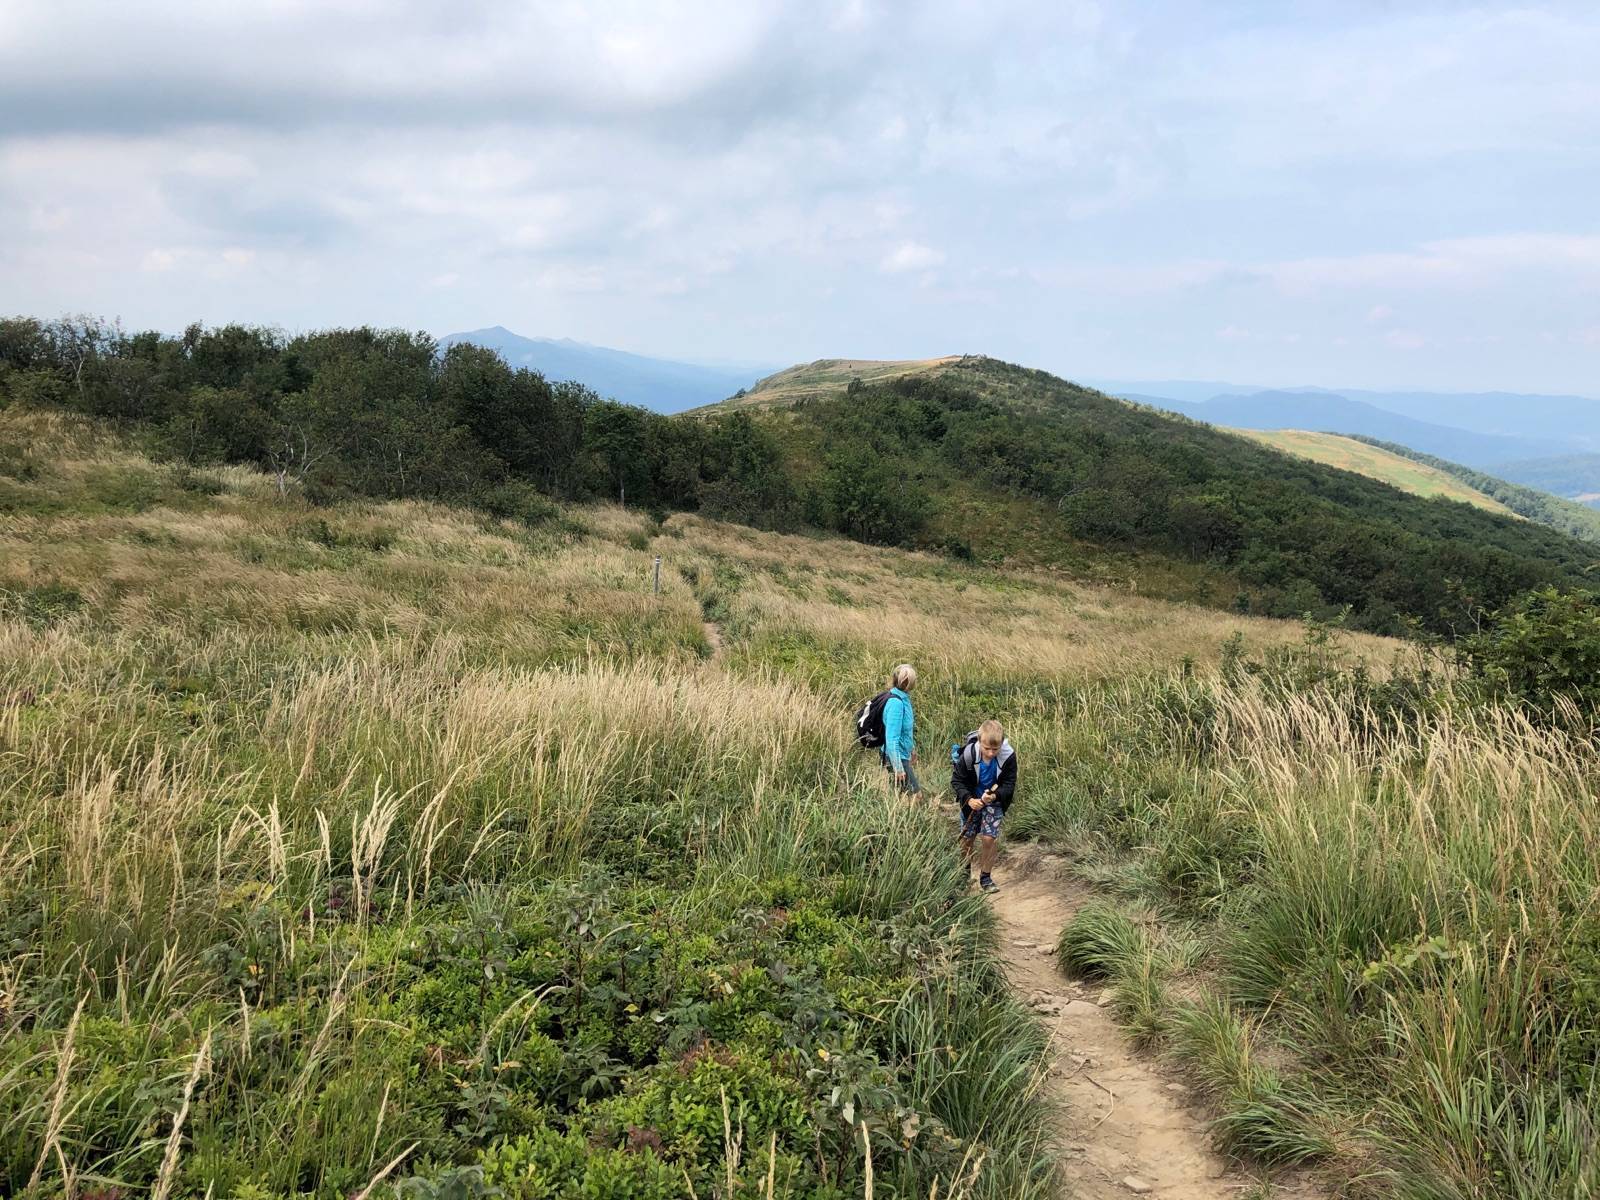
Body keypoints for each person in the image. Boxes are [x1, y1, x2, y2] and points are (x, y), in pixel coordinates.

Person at [952, 719, 1017, 894]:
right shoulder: (968, 755)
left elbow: (1009, 784)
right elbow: (957, 781)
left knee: (989, 838)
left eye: (995, 749)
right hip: (971, 801)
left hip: (994, 801)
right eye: (986, 748)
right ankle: (964, 876)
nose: (990, 753)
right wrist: (969, 799)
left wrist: (995, 796)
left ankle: (986, 878)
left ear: (1002, 744)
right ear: (979, 742)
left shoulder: (1008, 756)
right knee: (967, 839)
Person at [882, 664, 921, 798]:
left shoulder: (904, 698)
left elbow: (906, 730)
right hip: (895, 756)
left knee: (903, 795)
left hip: (902, 754)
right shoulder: (896, 703)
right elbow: (891, 738)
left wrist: (912, 749)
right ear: (905, 683)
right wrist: (898, 767)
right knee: (915, 797)